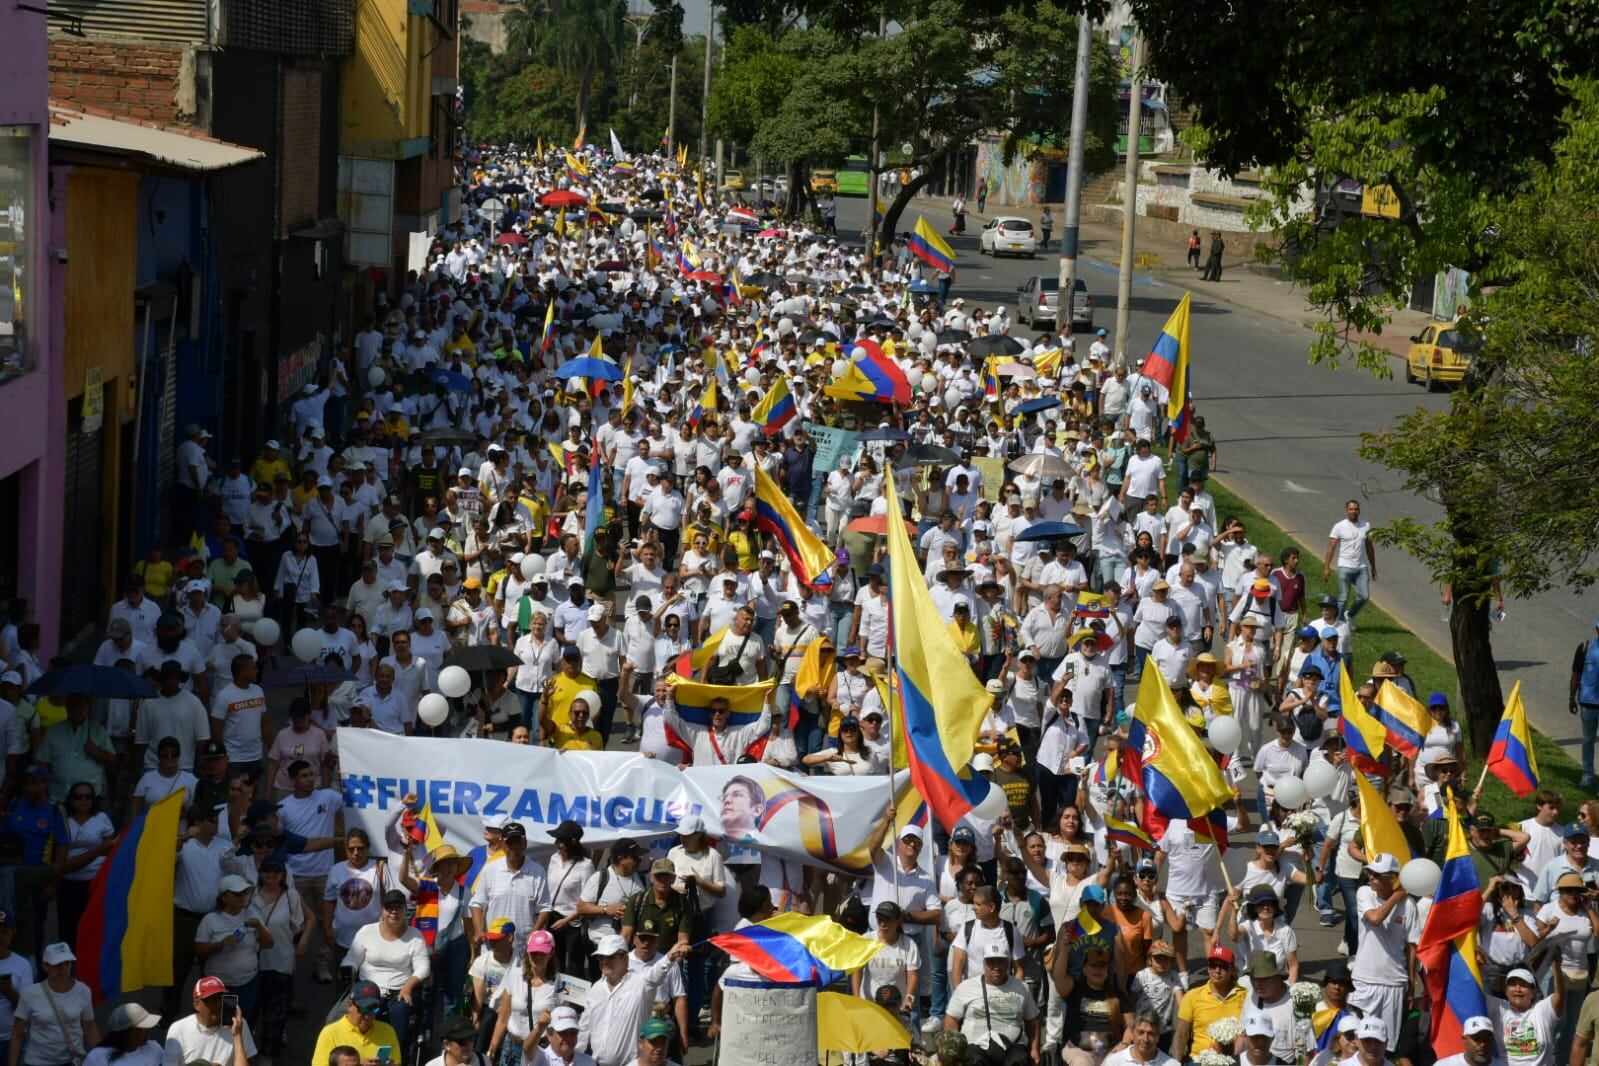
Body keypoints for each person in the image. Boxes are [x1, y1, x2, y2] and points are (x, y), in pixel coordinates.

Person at [576, 934, 690, 1066]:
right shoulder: (595, 989)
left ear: (625, 958)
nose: (604, 961)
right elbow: (583, 1028)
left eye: (610, 957)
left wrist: (670, 956)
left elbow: (656, 973)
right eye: (601, 957)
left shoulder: (640, 984)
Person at [346, 889, 431, 1052]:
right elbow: (352, 958)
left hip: (399, 992)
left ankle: (393, 1057)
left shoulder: (415, 936)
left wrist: (409, 986)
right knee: (355, 1015)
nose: (393, 911)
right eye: (389, 907)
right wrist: (348, 970)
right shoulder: (367, 931)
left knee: (402, 1014)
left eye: (398, 907)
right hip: (368, 990)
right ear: (382, 910)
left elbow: (423, 966)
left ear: (405, 911)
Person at [942, 941, 1040, 1062]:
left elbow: (1033, 1021)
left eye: (1001, 961)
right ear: (983, 964)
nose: (996, 967)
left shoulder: (1021, 987)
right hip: (976, 1047)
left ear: (1008, 962)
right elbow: (951, 1018)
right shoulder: (966, 987)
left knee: (1020, 1058)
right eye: (991, 962)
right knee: (973, 1059)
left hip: (1012, 1047)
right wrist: (953, 1052)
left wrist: (1034, 1050)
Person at [11, 943, 98, 1066]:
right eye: (57, 965)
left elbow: (90, 1028)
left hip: (73, 1060)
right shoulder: (30, 993)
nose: (63, 969)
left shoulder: (83, 991)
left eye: (67, 963)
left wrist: (101, 1059)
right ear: (45, 966)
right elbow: (17, 1034)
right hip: (37, 1062)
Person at [1171, 945, 1246, 1062]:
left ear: (1232, 970)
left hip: (1234, 1059)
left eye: (1223, 966)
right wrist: (1175, 1063)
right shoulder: (1192, 996)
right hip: (1199, 1059)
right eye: (1212, 965)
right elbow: (1181, 1034)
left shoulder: (1245, 996)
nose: (1217, 970)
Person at [309, 980, 398, 1066]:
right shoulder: (330, 1033)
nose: (368, 1016)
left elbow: (398, 1063)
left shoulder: (388, 1031)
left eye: (374, 1009)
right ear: (349, 1005)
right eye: (363, 1009)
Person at [82, 1004, 163, 1066]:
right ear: (129, 1032)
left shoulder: (155, 1049)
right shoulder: (96, 1058)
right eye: (144, 1028)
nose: (149, 1031)